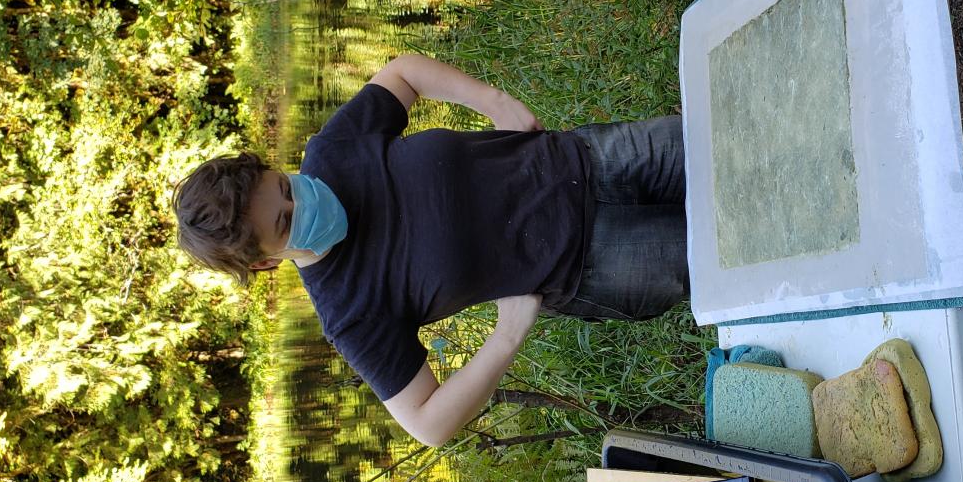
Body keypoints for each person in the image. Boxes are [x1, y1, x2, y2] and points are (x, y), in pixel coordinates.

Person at [173, 53, 687, 446]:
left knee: (731, 137)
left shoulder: (333, 151)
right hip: (598, 263)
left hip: (591, 157)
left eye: (284, 185)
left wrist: (495, 102)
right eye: (286, 222)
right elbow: (427, 422)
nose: (301, 199)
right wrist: (506, 337)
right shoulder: (350, 312)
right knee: (737, 250)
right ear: (265, 261)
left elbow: (403, 73)